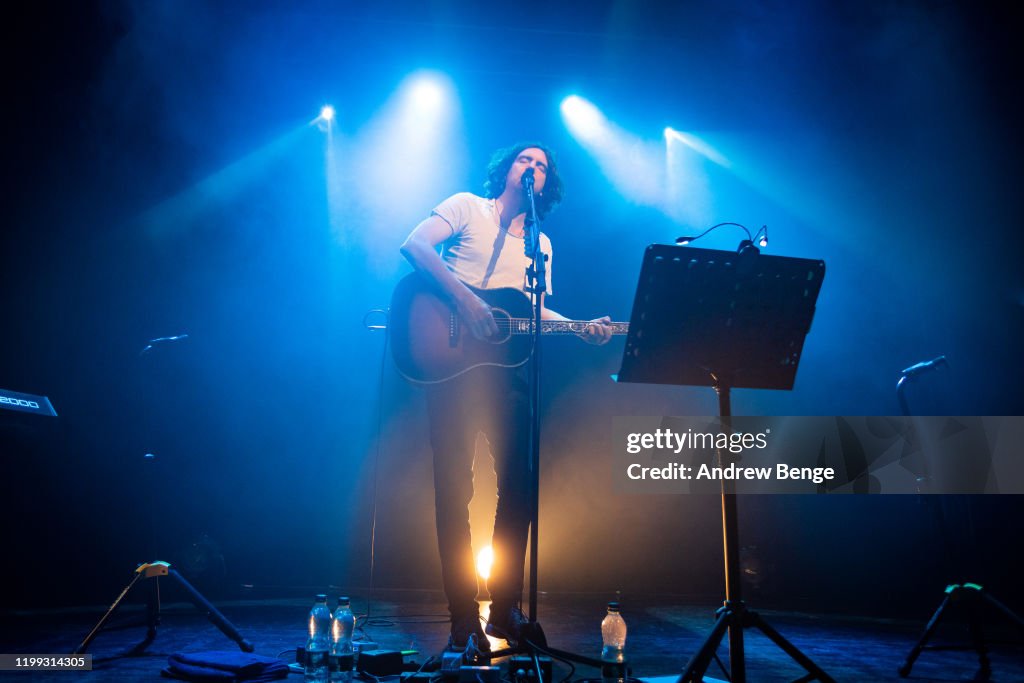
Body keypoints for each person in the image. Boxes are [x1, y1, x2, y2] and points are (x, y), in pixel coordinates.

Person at [399, 142, 612, 651]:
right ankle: (460, 618)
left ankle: (505, 608)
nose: (533, 168)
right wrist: (467, 300)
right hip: (451, 368)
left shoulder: (541, 245)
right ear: (507, 169)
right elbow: (414, 245)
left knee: (521, 483)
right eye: (525, 160)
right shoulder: (466, 206)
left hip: (504, 371)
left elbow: (532, 313)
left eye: (542, 165)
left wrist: (579, 327)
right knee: (456, 491)